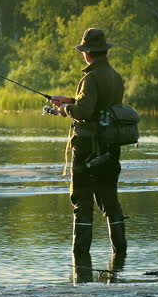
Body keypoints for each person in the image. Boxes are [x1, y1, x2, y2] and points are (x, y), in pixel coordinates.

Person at [48, 27, 127, 267]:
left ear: (88, 52)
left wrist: (65, 109)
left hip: (87, 149)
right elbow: (99, 105)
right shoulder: (115, 77)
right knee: (110, 200)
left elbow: (84, 112)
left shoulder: (90, 78)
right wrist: (71, 99)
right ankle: (121, 254)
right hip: (110, 149)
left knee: (82, 202)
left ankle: (80, 260)